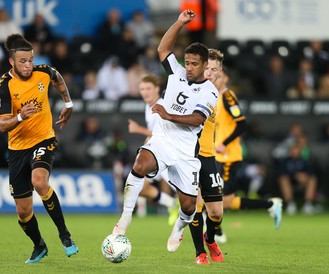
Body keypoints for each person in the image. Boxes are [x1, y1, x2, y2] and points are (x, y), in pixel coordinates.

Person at [111, 10, 219, 256]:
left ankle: (178, 229)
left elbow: (197, 119)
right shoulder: (176, 73)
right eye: (187, 62)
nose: (189, 68)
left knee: (189, 206)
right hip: (162, 140)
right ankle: (125, 218)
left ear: (204, 65)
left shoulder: (210, 92)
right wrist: (180, 22)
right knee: (140, 164)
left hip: (185, 150)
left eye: (194, 64)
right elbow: (162, 49)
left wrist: (168, 114)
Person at [0, 34, 78, 263]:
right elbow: (2, 125)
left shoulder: (43, 71)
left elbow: (58, 77)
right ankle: (39, 245)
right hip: (17, 149)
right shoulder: (4, 86)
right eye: (22, 61)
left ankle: (65, 236)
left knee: (39, 182)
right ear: (11, 62)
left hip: (43, 139)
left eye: (30, 60)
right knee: (23, 212)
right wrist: (21, 116)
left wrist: (68, 103)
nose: (28, 65)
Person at [214, 64, 283, 243]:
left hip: (229, 156)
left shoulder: (228, 97)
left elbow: (242, 124)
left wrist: (223, 143)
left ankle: (217, 231)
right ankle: (270, 204)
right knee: (222, 199)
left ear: (226, 79)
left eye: (218, 75)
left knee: (221, 199)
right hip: (218, 156)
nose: (214, 77)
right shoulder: (215, 97)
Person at [188, 49, 225, 264]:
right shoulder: (191, 88)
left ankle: (210, 238)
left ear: (219, 72)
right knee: (195, 204)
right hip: (190, 156)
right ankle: (199, 252)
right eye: (207, 68)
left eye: (214, 69)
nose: (210, 72)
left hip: (208, 155)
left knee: (217, 213)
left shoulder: (217, 93)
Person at [127, 74, 177, 220]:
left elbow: (165, 133)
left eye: (148, 88)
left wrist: (138, 129)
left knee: (190, 195)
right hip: (156, 155)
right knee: (140, 188)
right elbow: (154, 134)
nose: (145, 92)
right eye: (142, 89)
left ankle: (210, 226)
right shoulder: (148, 107)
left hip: (169, 156)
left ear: (157, 88)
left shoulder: (162, 106)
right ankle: (172, 203)